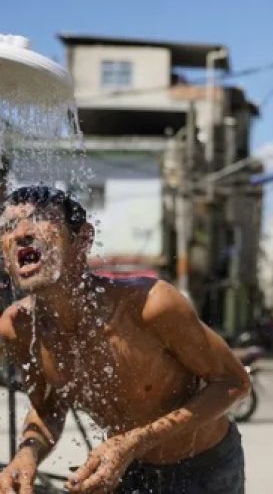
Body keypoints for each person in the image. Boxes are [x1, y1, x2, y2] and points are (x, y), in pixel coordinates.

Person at [0, 186, 250, 493]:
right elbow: (48, 407)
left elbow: (233, 383)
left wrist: (135, 441)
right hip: (124, 467)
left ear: (82, 240)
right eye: (9, 226)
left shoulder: (149, 305)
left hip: (202, 468)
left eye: (40, 220)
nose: (22, 233)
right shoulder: (19, 328)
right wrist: (27, 454)